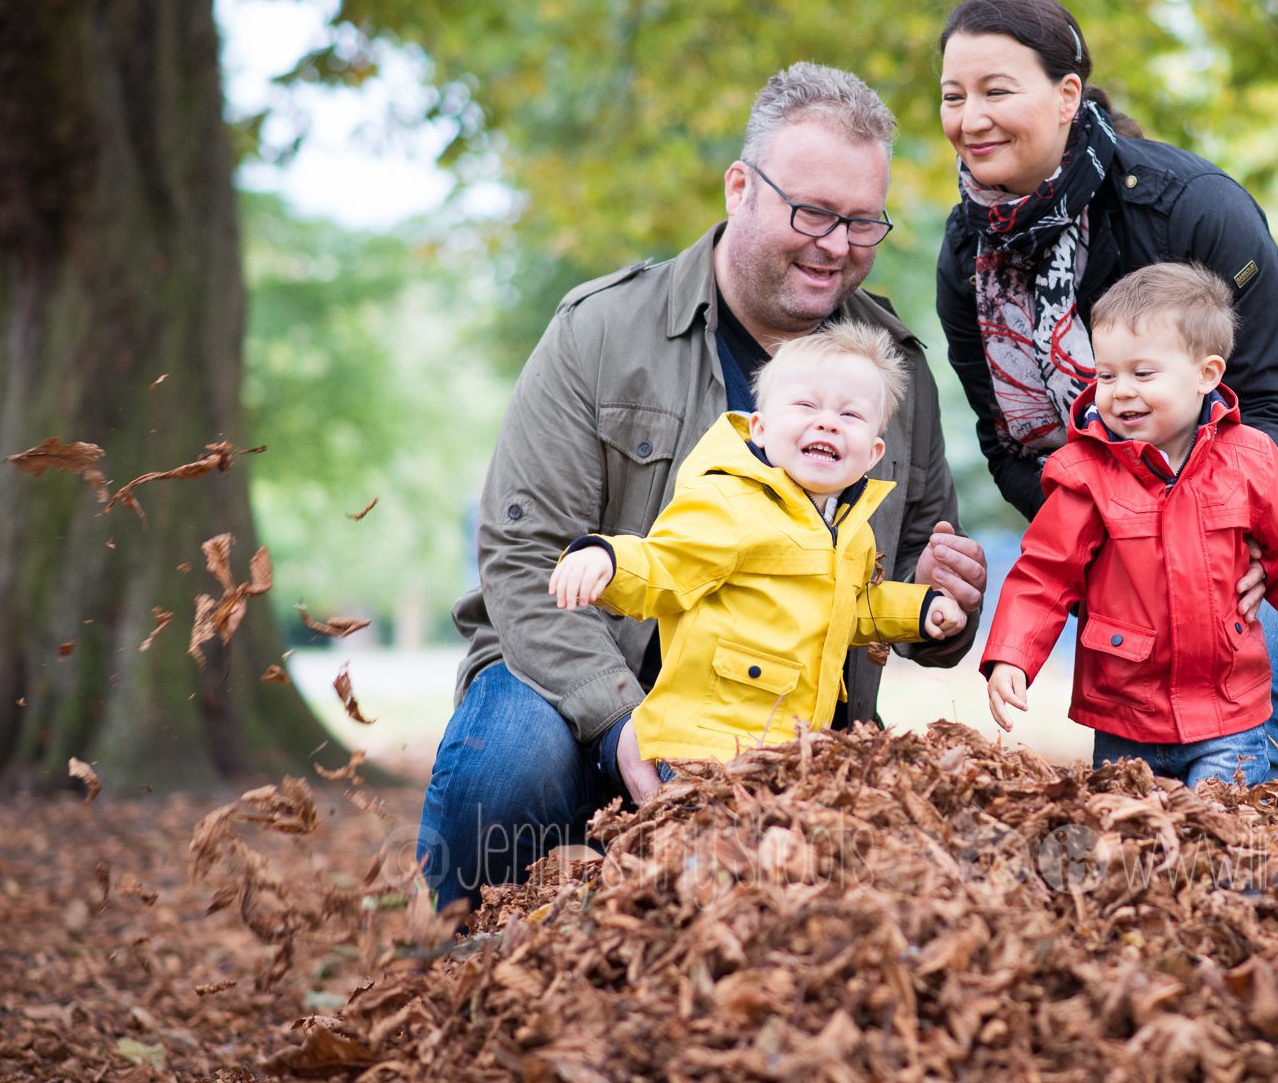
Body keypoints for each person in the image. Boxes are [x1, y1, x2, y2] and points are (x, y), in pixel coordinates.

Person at [423, 63, 988, 913]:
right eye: (812, 213)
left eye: (863, 222)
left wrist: (946, 607)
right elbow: (524, 556)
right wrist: (624, 725)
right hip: (581, 686)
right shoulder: (601, 331)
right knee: (511, 760)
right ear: (739, 188)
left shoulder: (892, 368)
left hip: (778, 717)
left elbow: (902, 577)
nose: (837, 245)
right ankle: (475, 956)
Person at [934, 0, 1278, 773]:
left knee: (1251, 672)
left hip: (1275, 485)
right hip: (1115, 512)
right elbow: (1006, 442)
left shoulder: (1190, 208)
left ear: (1068, 95)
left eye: (998, 90)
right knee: (1134, 714)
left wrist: (1238, 534)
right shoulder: (967, 256)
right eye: (953, 96)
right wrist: (1108, 534)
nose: (972, 116)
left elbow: (1275, 390)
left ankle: (1268, 854)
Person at [979, 265, 1278, 786]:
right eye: (1106, 375)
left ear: (1206, 375)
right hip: (1124, 712)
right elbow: (1044, 575)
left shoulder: (1253, 461)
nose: (1120, 392)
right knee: (1133, 832)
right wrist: (1012, 657)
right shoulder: (1085, 473)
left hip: (1229, 707)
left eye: (1143, 373)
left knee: (1217, 830)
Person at [548, 322, 969, 765]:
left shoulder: (850, 530)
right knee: (733, 834)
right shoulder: (730, 503)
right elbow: (664, 566)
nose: (826, 421)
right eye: (806, 405)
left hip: (791, 747)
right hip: (707, 746)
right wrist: (608, 559)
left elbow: (852, 607)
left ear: (872, 454)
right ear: (761, 429)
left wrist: (918, 611)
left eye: (850, 415)